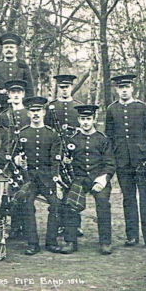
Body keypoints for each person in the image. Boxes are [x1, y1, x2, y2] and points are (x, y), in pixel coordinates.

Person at [106, 74, 146, 249]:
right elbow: (109, 136)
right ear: (116, 90)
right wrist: (112, 157)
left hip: (142, 160)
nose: (124, 90)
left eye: (127, 87)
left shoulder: (143, 108)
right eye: (120, 87)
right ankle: (132, 236)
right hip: (122, 161)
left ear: (132, 89)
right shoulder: (111, 110)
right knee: (128, 198)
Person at [60, 105, 116, 255]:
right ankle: (71, 241)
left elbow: (110, 164)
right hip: (79, 179)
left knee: (103, 203)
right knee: (70, 203)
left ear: (94, 119)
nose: (85, 122)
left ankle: (105, 242)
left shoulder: (103, 139)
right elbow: (67, 162)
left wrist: (102, 180)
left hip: (99, 178)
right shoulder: (72, 140)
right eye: (83, 119)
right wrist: (66, 161)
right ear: (78, 120)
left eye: (88, 119)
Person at [16, 96, 62, 255]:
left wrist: (56, 179)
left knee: (56, 204)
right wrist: (17, 161)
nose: (35, 114)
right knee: (27, 204)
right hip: (29, 178)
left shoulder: (52, 134)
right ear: (28, 113)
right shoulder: (22, 133)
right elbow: (15, 155)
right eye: (32, 111)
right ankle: (32, 243)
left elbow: (55, 160)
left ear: (43, 112)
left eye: (38, 111)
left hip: (47, 177)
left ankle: (51, 241)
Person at [45, 74, 84, 237]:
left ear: (71, 87)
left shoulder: (78, 106)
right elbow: (47, 129)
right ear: (58, 88)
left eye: (67, 87)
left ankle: (75, 225)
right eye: (61, 87)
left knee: (74, 186)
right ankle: (61, 223)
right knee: (59, 186)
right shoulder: (51, 107)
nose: (64, 90)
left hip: (75, 151)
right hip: (56, 152)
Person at [0, 79, 30, 239]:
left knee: (26, 192)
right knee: (11, 193)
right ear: (8, 95)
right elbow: (2, 138)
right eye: (13, 92)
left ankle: (26, 226)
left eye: (19, 92)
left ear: (23, 94)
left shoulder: (28, 114)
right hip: (9, 160)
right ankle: (13, 226)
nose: (16, 95)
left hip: (26, 159)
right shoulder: (3, 116)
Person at [0, 32, 34, 108]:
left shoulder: (23, 65)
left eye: (11, 47)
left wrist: (27, 105)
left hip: (19, 105)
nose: (9, 50)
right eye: (6, 47)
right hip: (1, 105)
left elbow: (29, 89)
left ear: (16, 50)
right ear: (2, 50)